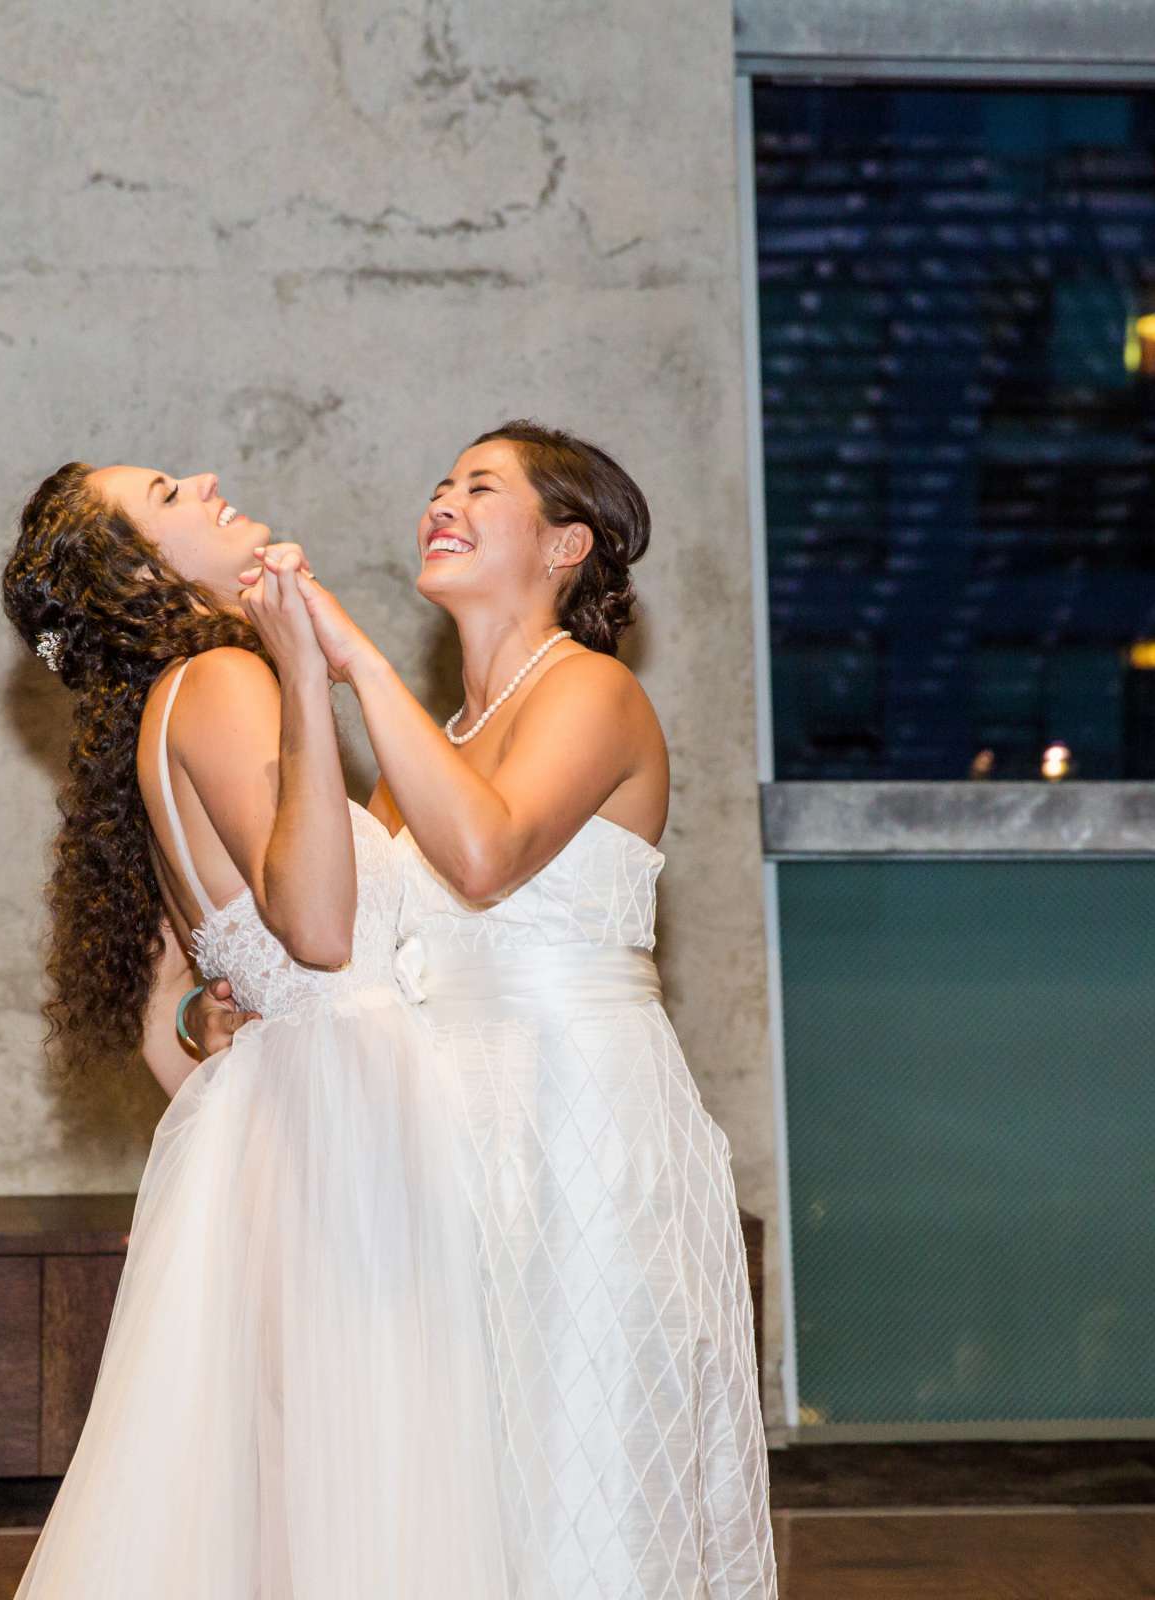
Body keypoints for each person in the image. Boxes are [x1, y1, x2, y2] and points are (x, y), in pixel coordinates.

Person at [248, 421, 777, 1598]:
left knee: (584, 1456)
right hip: (446, 1128)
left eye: (480, 487)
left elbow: (484, 855)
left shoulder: (597, 693)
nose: (442, 500)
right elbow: (330, 930)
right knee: (468, 1472)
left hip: (581, 1125)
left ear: (564, 544)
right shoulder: (426, 746)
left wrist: (357, 662)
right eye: (439, 484)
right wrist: (294, 676)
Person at [0, 462, 508, 1597]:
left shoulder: (167, 708)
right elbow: (322, 930)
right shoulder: (227, 680)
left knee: (306, 1495)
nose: (211, 479)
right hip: (356, 1121)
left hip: (299, 1117)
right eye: (172, 493)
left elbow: (163, 1031)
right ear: (143, 570)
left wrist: (234, 1057)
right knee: (381, 1486)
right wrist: (297, 671)